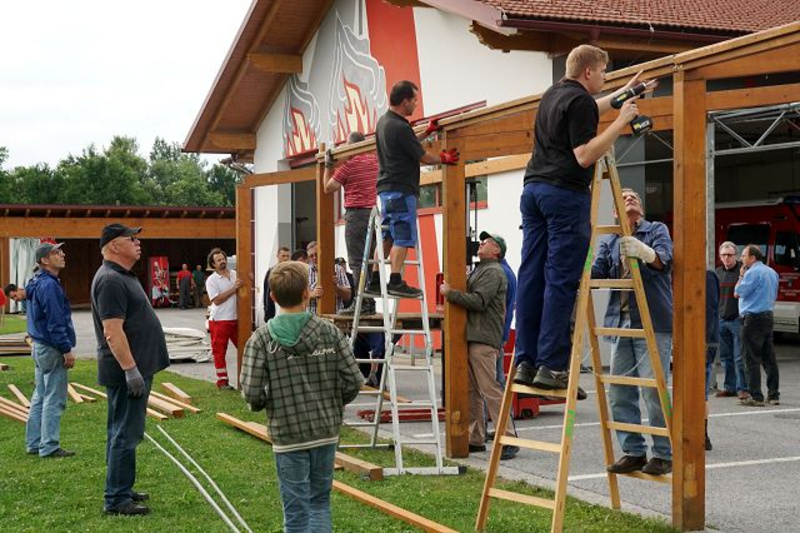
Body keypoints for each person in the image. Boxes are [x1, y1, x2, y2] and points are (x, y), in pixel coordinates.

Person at [514, 44, 654, 391]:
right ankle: (552, 365)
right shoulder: (578, 102)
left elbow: (591, 106)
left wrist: (627, 93)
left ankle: (525, 361)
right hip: (565, 194)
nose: (605, 78)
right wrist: (621, 122)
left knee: (532, 276)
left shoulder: (553, 95)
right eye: (603, 72)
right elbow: (584, 155)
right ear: (588, 72)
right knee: (561, 280)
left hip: (534, 191)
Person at [240, 261, 363, 533]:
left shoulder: (260, 340)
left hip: (288, 433)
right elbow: (354, 379)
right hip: (325, 429)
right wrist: (334, 402)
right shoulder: (329, 331)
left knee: (295, 511)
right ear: (307, 293)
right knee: (319, 502)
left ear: (272, 296)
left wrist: (263, 402)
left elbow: (251, 392)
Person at [591, 189, 673, 476]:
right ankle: (633, 451)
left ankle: (664, 453)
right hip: (621, 322)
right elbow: (596, 272)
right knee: (619, 391)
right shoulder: (610, 240)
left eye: (634, 197)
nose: (630, 199)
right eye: (623, 198)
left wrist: (644, 252)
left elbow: (664, 262)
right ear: (614, 212)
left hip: (653, 322)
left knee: (654, 390)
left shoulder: (656, 230)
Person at [91, 223, 170, 515]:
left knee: (122, 430)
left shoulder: (121, 276)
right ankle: (116, 499)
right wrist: (131, 370)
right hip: (127, 371)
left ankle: (122, 487)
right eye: (131, 239)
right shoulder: (111, 280)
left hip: (133, 368)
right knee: (126, 433)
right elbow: (112, 331)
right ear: (113, 246)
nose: (138, 243)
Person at [366, 80, 459, 298]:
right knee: (403, 236)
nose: (416, 104)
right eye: (414, 100)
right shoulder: (399, 126)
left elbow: (409, 145)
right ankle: (396, 281)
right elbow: (423, 156)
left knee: (388, 235)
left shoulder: (384, 122)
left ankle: (375, 281)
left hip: (387, 190)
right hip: (401, 189)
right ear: (405, 100)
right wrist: (443, 158)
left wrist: (427, 132)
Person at [441, 231, 519, 461]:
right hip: (476, 336)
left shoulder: (493, 272)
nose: (481, 243)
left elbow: (479, 301)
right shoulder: (482, 269)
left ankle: (508, 438)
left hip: (484, 339)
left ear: (497, 251)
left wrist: (451, 293)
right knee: (473, 390)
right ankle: (476, 438)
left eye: (487, 242)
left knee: (489, 388)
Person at [24, 242, 76, 458]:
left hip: (39, 346)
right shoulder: (49, 286)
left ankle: (34, 443)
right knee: (54, 398)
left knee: (40, 395)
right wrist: (66, 350)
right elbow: (56, 322)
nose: (62, 254)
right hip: (51, 348)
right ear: (45, 260)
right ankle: (49, 446)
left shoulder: (36, 282)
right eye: (57, 252)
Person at [324, 130, 378, 315]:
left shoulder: (349, 165)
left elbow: (328, 188)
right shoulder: (374, 161)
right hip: (374, 214)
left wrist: (327, 166)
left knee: (356, 262)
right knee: (369, 261)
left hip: (356, 215)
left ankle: (361, 304)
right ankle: (369, 303)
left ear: (351, 146)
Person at [735, 244, 780, 407]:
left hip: (752, 317)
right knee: (769, 357)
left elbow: (739, 292)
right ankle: (774, 394)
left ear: (753, 257)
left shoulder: (751, 272)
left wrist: (740, 276)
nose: (741, 258)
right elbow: (774, 294)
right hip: (768, 315)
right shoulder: (772, 272)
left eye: (744, 255)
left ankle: (755, 395)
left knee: (751, 358)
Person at [715, 242, 748, 399]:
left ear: (736, 255)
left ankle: (743, 388)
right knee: (725, 357)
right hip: (721, 319)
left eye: (729, 255)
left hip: (737, 319)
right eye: (723, 255)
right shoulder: (717, 272)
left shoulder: (744, 271)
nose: (726, 258)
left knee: (739, 357)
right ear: (720, 257)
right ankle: (730, 387)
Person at [206, 247, 242, 390]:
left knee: (244, 348)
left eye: (223, 259)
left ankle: (245, 378)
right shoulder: (212, 280)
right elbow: (216, 300)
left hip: (236, 318)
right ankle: (222, 381)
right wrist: (234, 289)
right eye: (218, 260)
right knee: (219, 351)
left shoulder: (235, 274)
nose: (222, 262)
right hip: (220, 320)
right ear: (213, 264)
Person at [306, 241, 351, 315]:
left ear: (322, 253)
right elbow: (298, 298)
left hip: (335, 317)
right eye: (311, 256)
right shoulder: (305, 271)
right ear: (308, 257)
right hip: (312, 318)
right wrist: (312, 294)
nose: (314, 257)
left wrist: (336, 287)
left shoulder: (338, 269)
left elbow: (348, 296)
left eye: (317, 254)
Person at [705, 270, 720, 451]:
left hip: (704, 343)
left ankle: (702, 434)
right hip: (697, 341)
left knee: (700, 393)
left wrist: (704, 344)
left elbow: (709, 311)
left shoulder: (706, 276)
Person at [263, 246, 291, 322]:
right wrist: (267, 313)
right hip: (274, 311)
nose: (285, 258)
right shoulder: (272, 271)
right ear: (277, 256)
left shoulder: (291, 272)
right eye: (283, 256)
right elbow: (266, 293)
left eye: (287, 256)